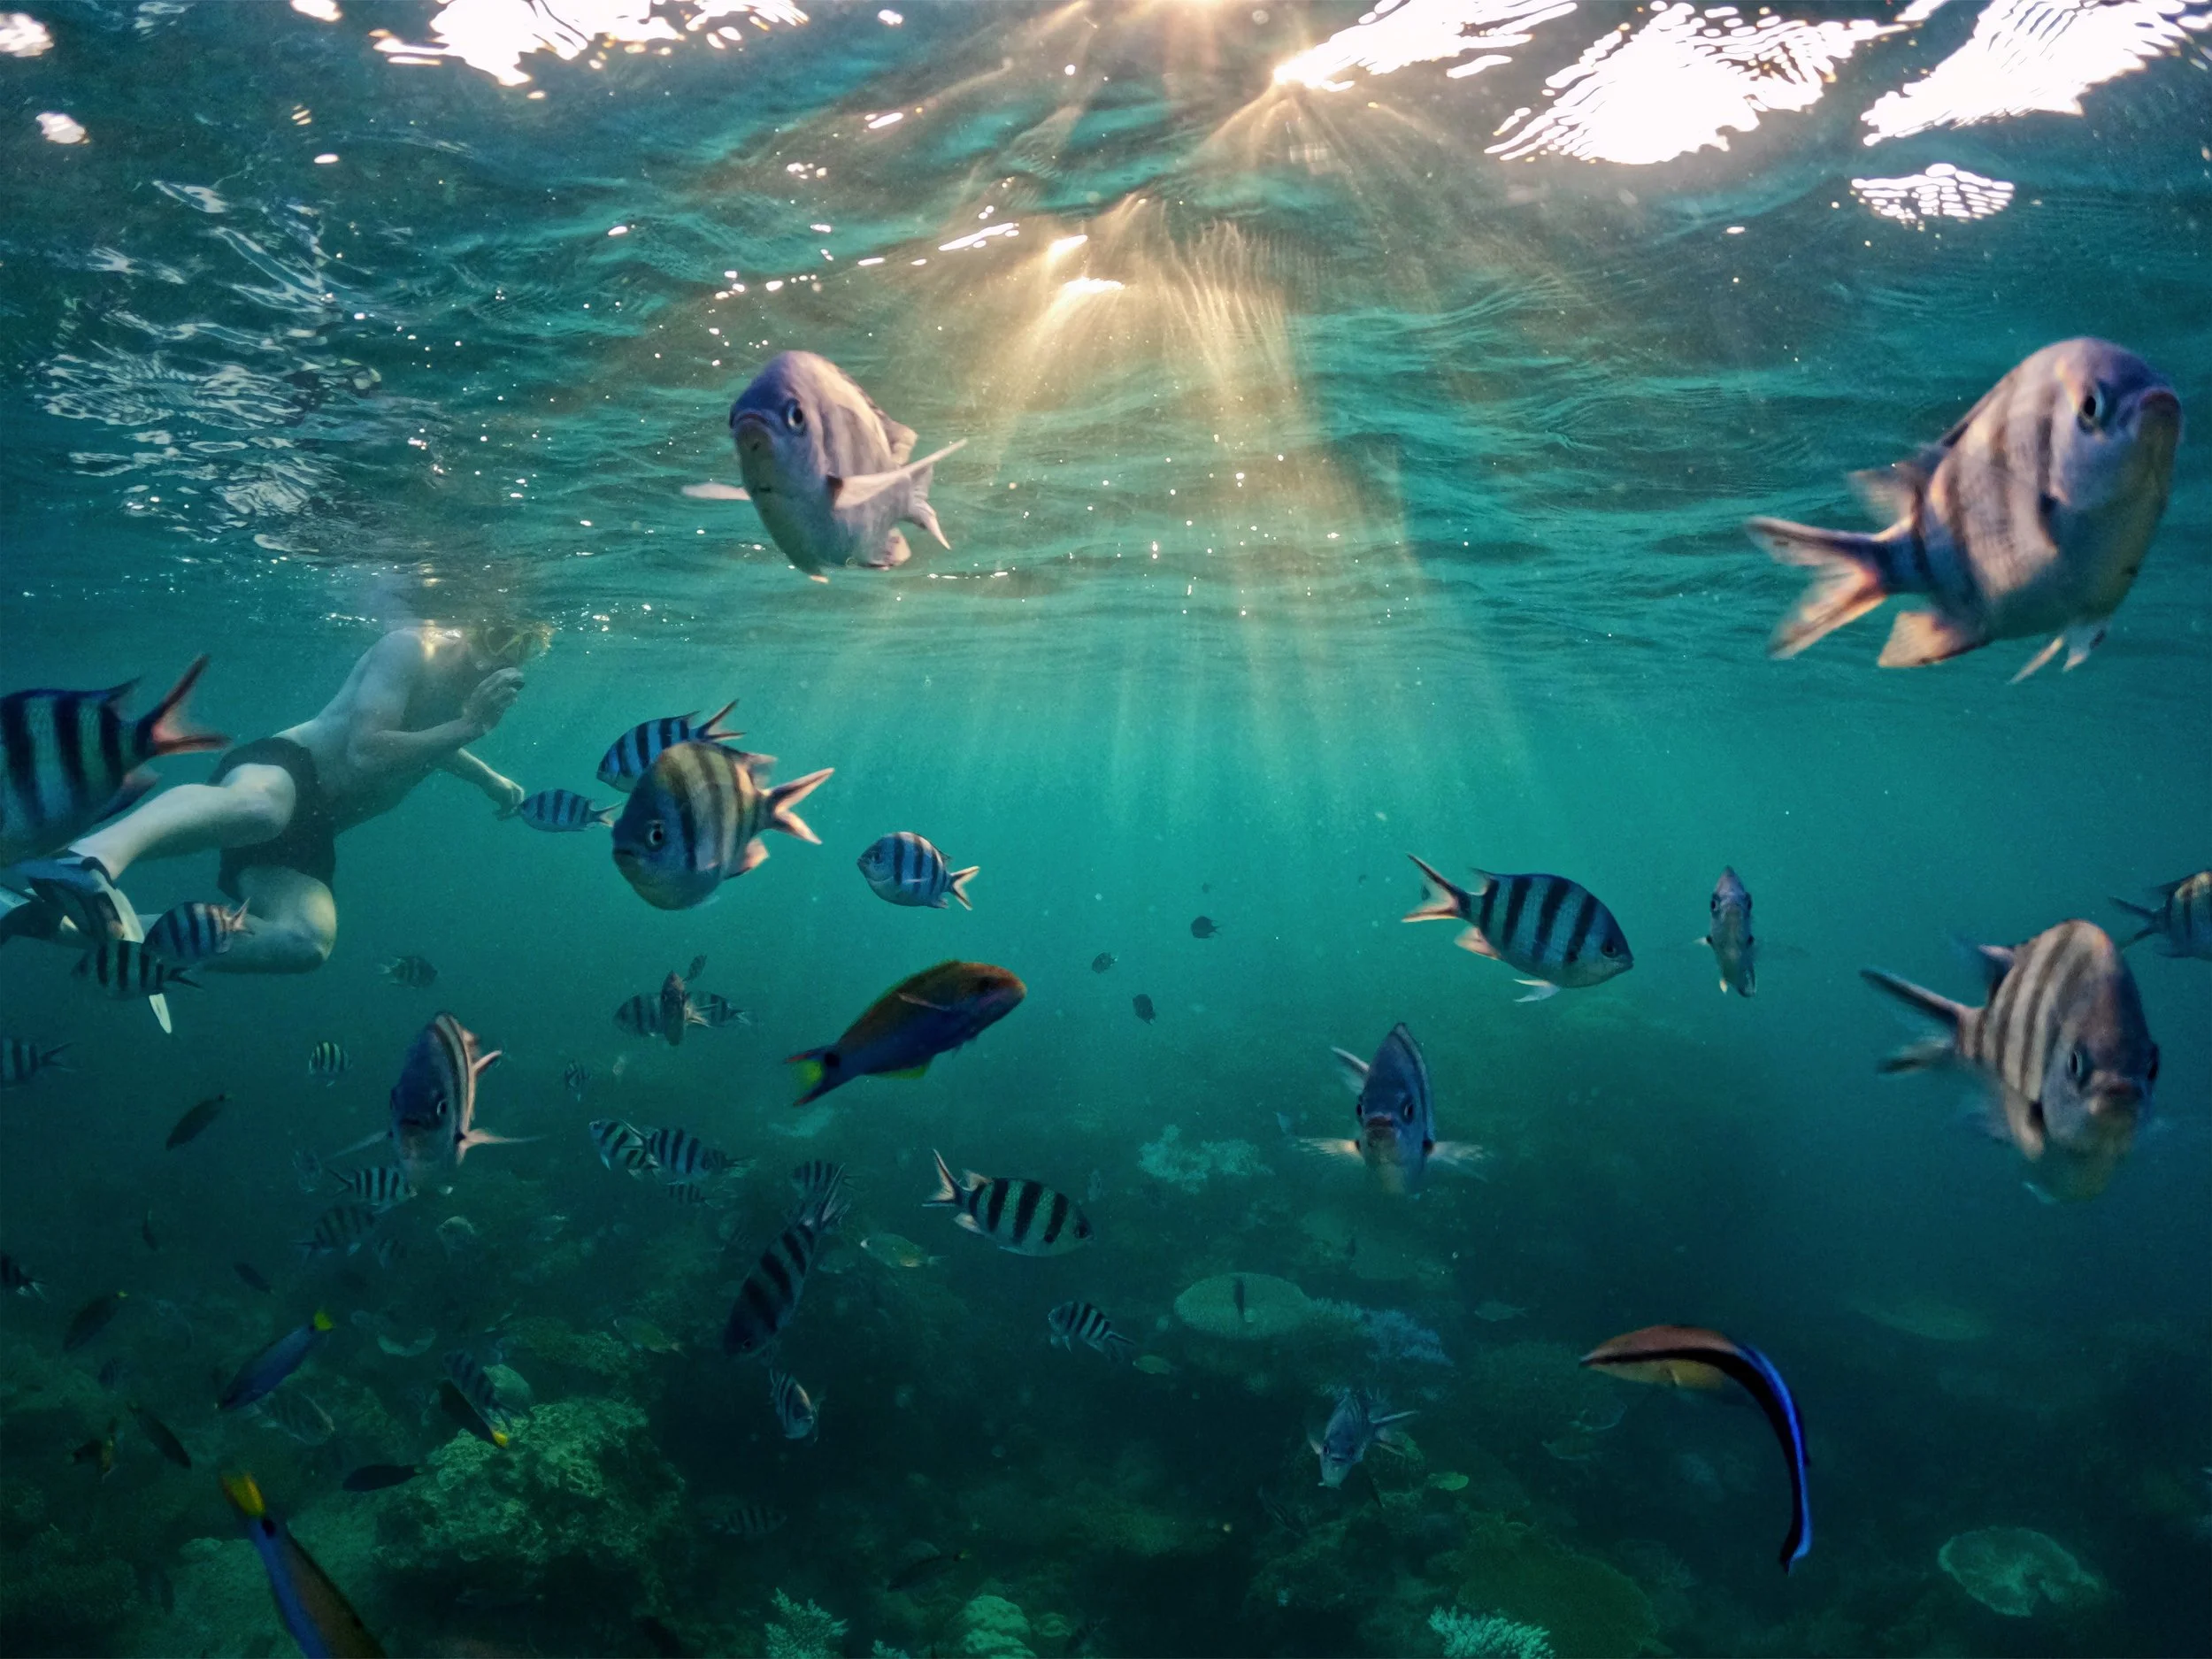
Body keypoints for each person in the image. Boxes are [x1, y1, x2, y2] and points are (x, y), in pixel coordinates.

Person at [13, 619, 543, 975]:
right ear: (473, 623)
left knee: (305, 943)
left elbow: (428, 743)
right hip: (287, 769)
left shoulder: (471, 690)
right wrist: (472, 725)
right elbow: (367, 749)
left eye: (526, 648)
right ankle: (87, 858)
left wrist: (485, 778)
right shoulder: (412, 647)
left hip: (312, 828)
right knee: (260, 811)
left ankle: (41, 923)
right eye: (497, 637)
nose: (498, 660)